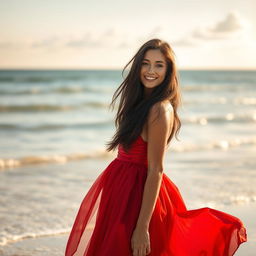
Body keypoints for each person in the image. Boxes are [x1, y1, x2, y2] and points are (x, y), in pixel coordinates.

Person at [65, 38, 247, 256]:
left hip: (139, 195)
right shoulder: (137, 103)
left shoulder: (159, 110)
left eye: (159, 65)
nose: (151, 71)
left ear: (168, 71)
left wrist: (142, 227)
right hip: (120, 189)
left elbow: (156, 169)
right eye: (145, 63)